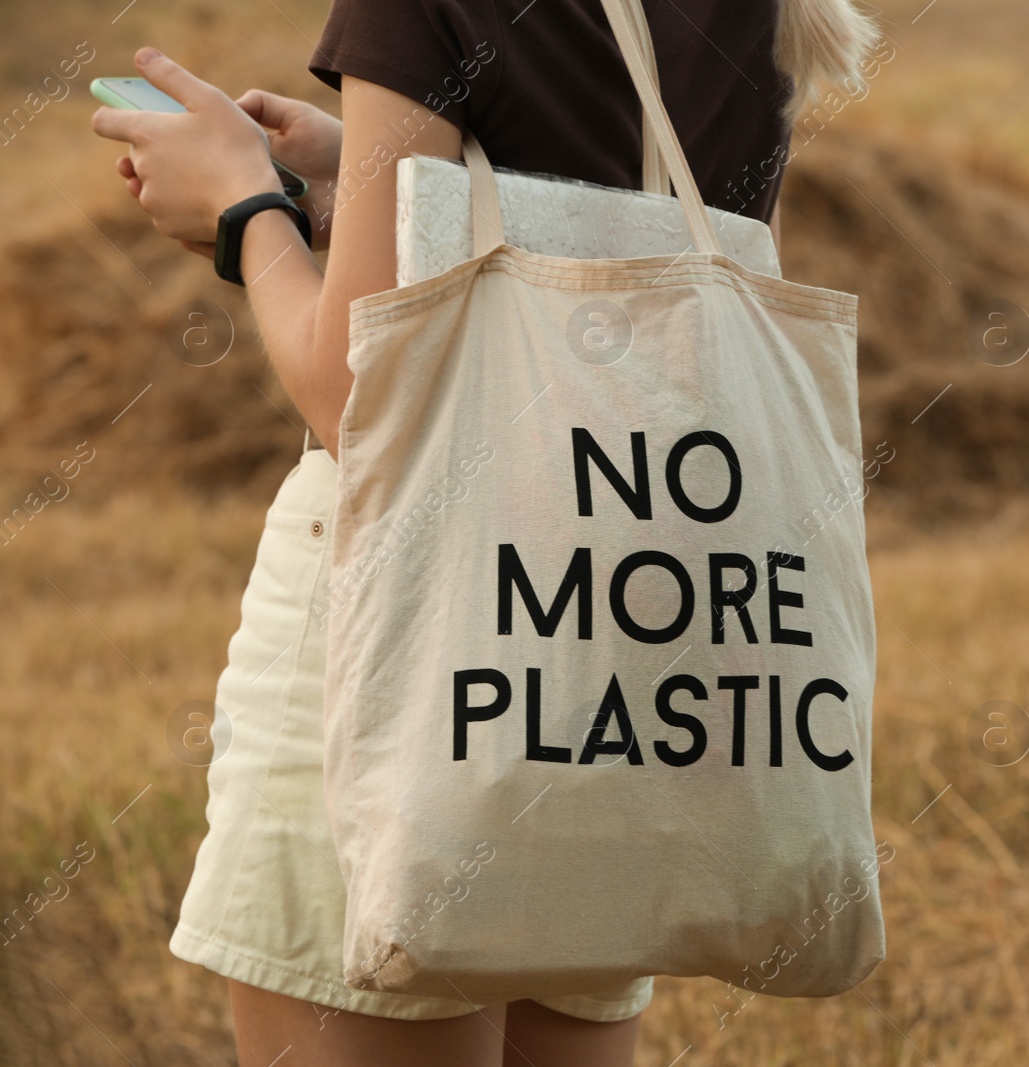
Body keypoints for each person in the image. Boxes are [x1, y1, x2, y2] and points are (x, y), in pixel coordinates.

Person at [89, 1, 876, 1064]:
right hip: (609, 658)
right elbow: (624, 277)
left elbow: (356, 398)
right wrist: (372, 172)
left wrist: (241, 206)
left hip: (419, 619)